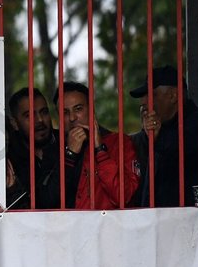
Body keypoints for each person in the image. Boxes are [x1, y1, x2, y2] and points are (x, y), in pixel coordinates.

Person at [129, 66, 198, 207]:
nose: (144, 102)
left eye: (152, 95)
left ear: (173, 96)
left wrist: (156, 138)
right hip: (157, 221)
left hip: (191, 222)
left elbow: (181, 149)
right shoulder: (159, 129)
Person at [56, 81, 140, 210]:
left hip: (110, 227)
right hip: (69, 228)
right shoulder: (54, 147)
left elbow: (124, 197)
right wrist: (69, 155)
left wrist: (100, 150)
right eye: (65, 112)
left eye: (78, 109)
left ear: (92, 109)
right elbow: (46, 203)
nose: (72, 118)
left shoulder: (119, 143)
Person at [4, 88, 62, 210]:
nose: (40, 120)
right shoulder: (10, 159)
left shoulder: (67, 144)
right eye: (29, 115)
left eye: (44, 112)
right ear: (14, 123)